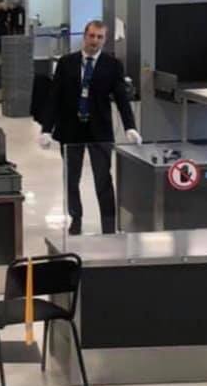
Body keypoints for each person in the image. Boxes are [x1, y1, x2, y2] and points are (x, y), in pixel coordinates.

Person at [39, 19, 142, 235]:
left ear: (104, 39)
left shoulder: (112, 65)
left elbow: (121, 98)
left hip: (100, 131)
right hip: (71, 130)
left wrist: (130, 127)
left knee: (103, 179)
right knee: (71, 179)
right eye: (92, 36)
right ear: (85, 36)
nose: (95, 41)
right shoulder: (66, 63)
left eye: (100, 37)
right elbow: (54, 97)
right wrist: (46, 129)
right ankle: (76, 218)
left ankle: (108, 225)